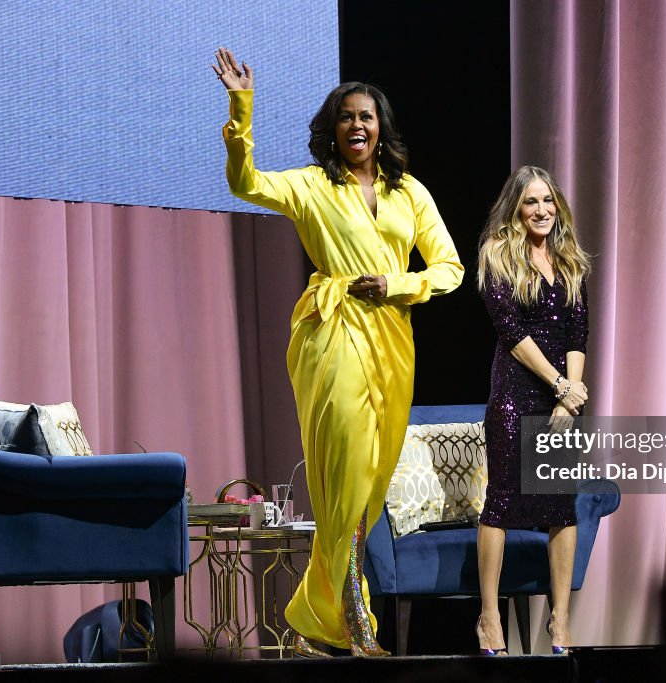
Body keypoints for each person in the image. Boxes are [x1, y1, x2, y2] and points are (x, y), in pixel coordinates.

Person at [212, 48, 463, 657]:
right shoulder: (311, 186)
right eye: (347, 117)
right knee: (347, 475)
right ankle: (357, 622)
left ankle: (305, 622)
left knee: (370, 485)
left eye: (367, 117)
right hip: (333, 331)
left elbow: (451, 269)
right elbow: (246, 182)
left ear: (382, 129)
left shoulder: (411, 194)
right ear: (333, 129)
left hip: (393, 340)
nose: (358, 126)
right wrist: (241, 107)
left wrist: (401, 285)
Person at [475, 165, 590, 656]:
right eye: (531, 203)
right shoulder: (497, 257)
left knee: (562, 507)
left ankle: (559, 623)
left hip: (559, 398)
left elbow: (577, 335)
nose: (541, 211)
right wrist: (560, 384)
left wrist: (572, 393)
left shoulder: (569, 262)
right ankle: (489, 618)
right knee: (500, 504)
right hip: (515, 392)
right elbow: (512, 335)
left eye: (548, 202)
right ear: (515, 210)